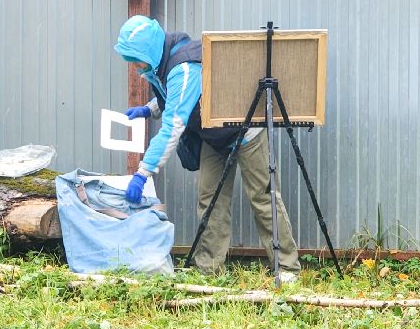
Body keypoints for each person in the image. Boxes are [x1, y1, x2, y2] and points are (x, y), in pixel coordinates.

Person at [114, 15, 300, 282]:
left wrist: (143, 173)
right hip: (214, 135)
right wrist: (149, 108)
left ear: (149, 50)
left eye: (136, 59)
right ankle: (209, 269)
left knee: (264, 198)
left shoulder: (184, 68)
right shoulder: (162, 62)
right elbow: (174, 95)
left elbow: (172, 127)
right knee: (210, 201)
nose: (135, 66)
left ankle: (287, 268)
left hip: (246, 132)